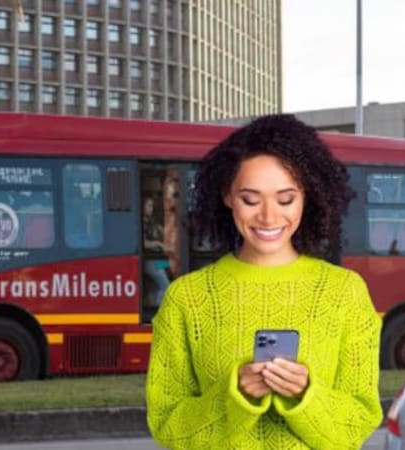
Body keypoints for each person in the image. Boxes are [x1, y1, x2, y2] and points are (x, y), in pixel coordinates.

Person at [146, 114, 382, 449]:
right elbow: (168, 427)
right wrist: (235, 396)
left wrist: (305, 396)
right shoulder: (187, 298)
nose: (269, 217)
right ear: (227, 195)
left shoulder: (345, 292)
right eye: (251, 199)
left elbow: (356, 425)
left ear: (308, 197)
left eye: (285, 199)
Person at [142, 196, 170, 307]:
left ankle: (155, 300)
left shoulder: (151, 221)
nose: (151, 208)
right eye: (149, 205)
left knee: (172, 265)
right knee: (166, 285)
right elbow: (143, 243)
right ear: (142, 206)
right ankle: (160, 309)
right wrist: (159, 244)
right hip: (149, 261)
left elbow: (161, 230)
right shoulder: (142, 223)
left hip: (158, 260)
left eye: (152, 206)